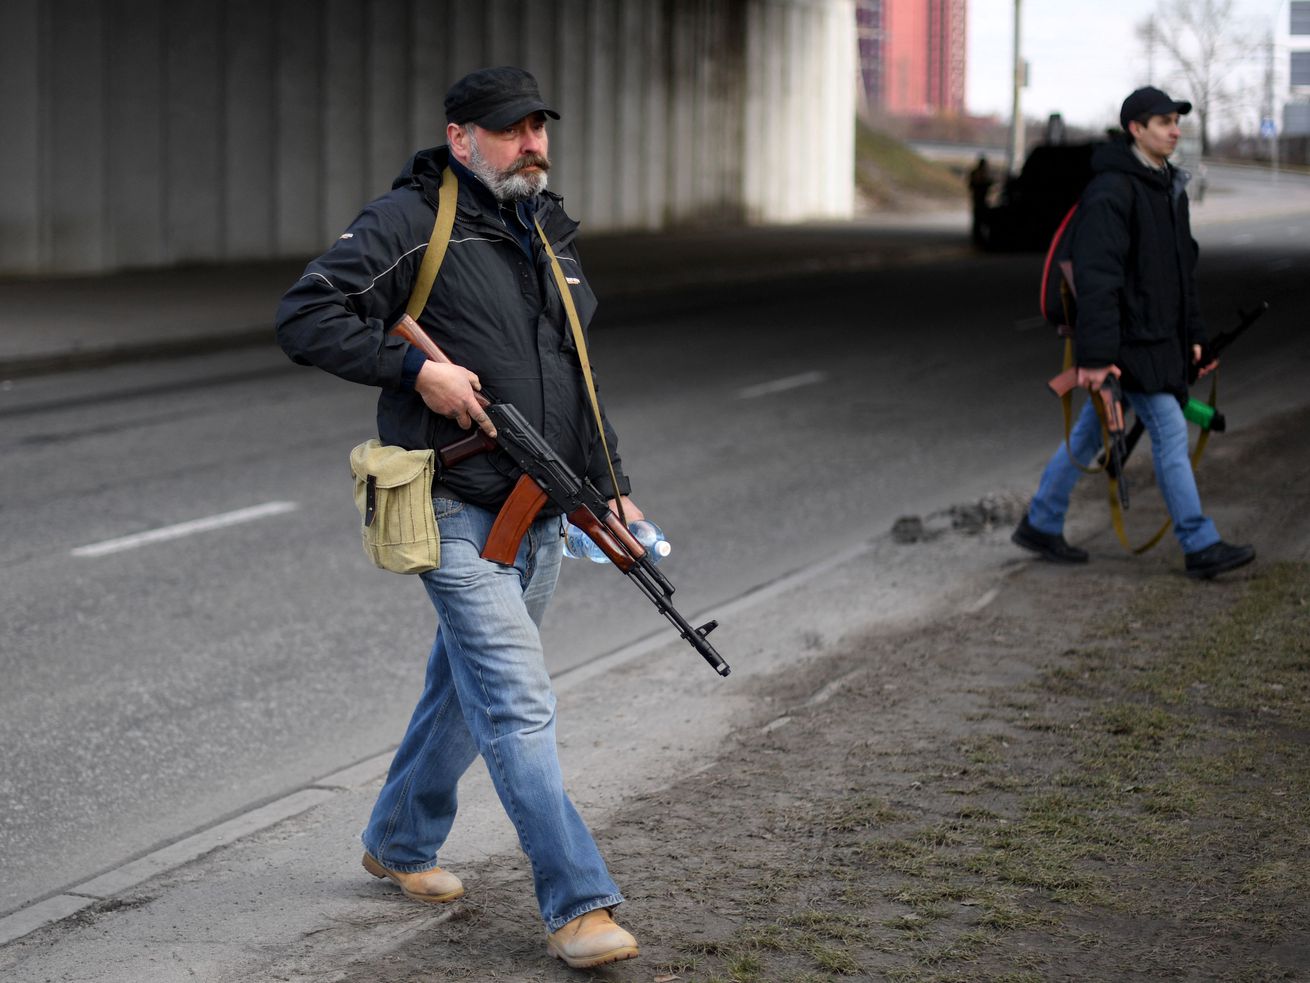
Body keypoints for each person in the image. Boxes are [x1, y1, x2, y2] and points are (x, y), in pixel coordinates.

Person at [275, 66, 641, 969]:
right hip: (451, 505)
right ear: (461, 137)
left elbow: (576, 379)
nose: (533, 144)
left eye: (537, 128)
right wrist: (416, 372)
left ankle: (398, 840)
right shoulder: (411, 221)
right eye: (511, 130)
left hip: (544, 510)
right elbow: (305, 314)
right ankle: (579, 902)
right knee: (516, 699)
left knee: (463, 690)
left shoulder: (549, 234)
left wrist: (612, 486)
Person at [1011, 86, 1254, 580]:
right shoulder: (1110, 192)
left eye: (1176, 121)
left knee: (1088, 434)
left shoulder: (1167, 188)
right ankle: (1199, 542)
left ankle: (1041, 520)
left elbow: (1181, 276)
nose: (1174, 130)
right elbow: (1098, 281)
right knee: (1167, 430)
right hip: (1125, 347)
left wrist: (1198, 339)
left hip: (1157, 341)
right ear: (1135, 130)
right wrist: (1096, 359)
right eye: (1163, 122)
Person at [967, 155, 992, 243]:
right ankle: (977, 237)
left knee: (979, 218)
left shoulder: (978, 173)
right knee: (978, 218)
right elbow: (974, 185)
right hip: (979, 198)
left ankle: (978, 236)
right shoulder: (979, 173)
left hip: (979, 198)